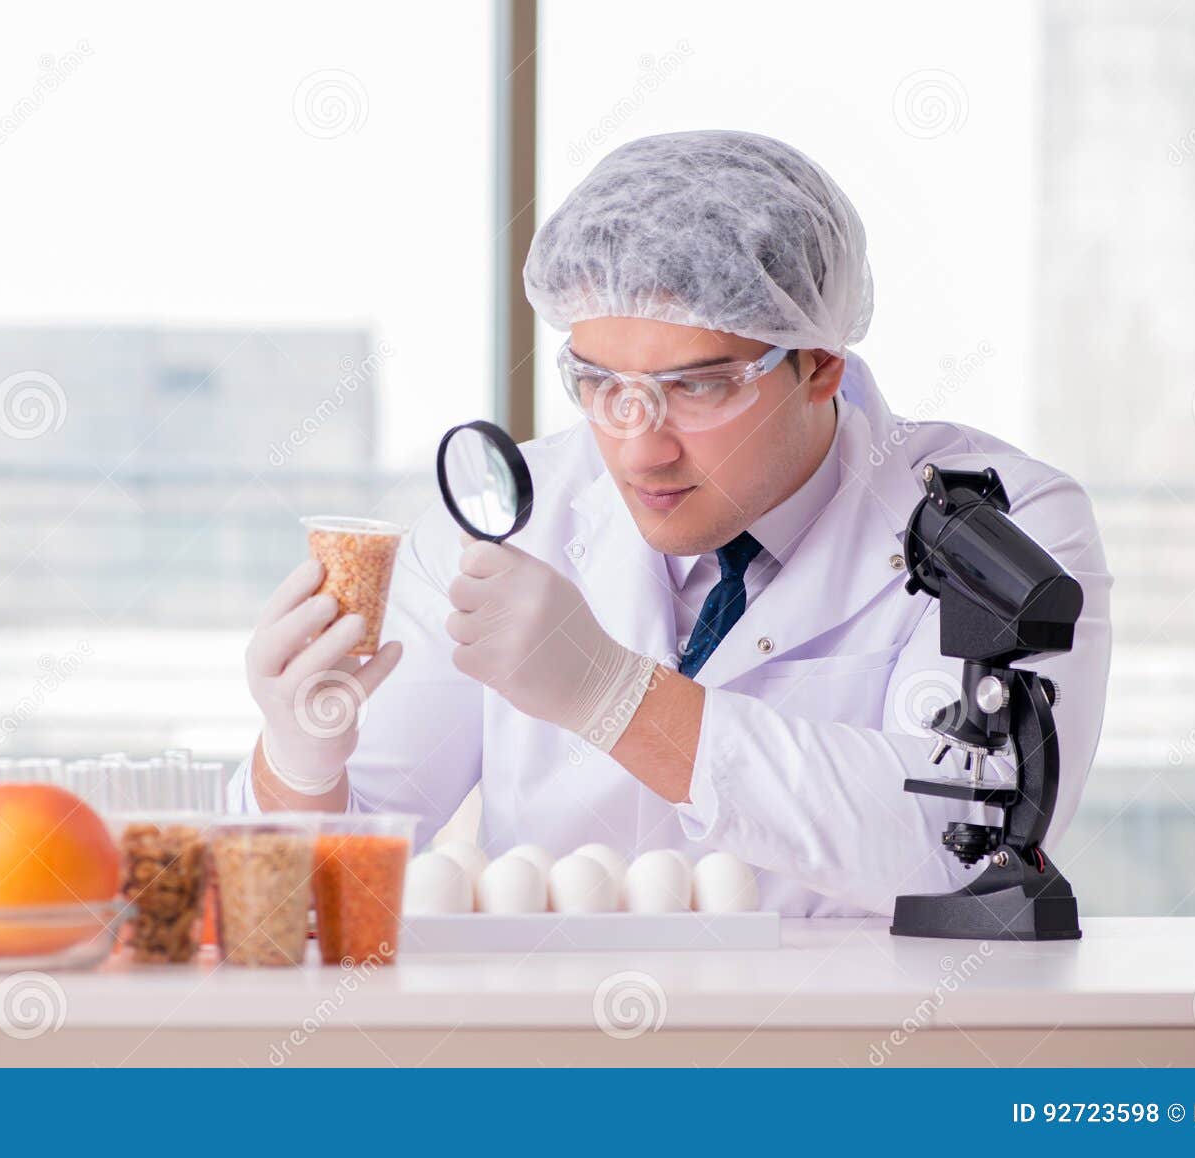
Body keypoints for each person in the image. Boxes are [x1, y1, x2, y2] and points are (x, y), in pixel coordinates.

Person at [231, 129, 1112, 916]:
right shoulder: (502, 521)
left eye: (695, 386)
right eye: (600, 383)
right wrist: (302, 767)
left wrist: (615, 697)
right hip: (549, 1060)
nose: (638, 448)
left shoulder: (1001, 522)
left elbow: (962, 842)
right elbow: (321, 897)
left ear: (819, 364)